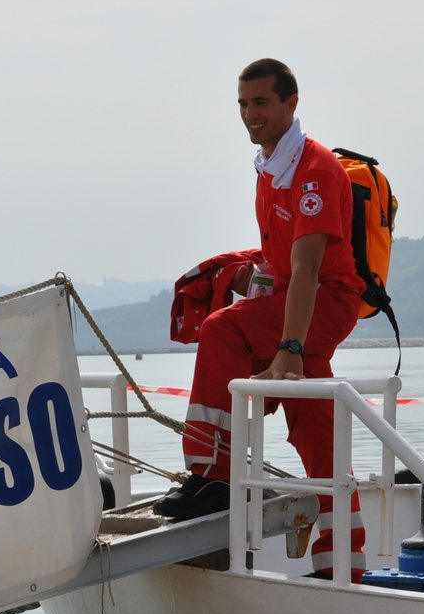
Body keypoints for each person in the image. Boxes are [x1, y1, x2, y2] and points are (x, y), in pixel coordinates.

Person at [152, 58, 367, 580]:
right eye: (243, 104)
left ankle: (213, 474)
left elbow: (309, 269)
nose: (251, 114)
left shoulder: (313, 172)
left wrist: (288, 349)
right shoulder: (271, 167)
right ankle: (345, 564)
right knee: (320, 431)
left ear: (292, 104)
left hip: (324, 301)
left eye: (262, 103)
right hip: (296, 304)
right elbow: (280, 263)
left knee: (223, 329)